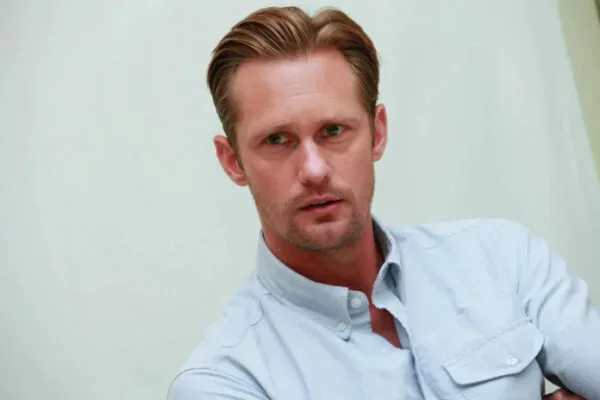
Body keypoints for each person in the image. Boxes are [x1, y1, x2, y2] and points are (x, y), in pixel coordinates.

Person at [168, 6, 600, 400]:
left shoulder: (504, 259)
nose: (314, 170)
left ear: (377, 133)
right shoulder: (223, 382)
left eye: (333, 131)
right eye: (277, 139)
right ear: (233, 161)